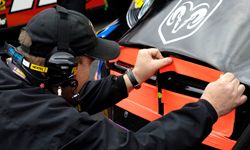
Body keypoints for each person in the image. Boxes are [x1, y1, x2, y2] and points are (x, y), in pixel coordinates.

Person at [0, 6, 247, 150]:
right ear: (66, 68)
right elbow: (136, 148)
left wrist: (132, 77)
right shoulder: (42, 126)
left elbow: (69, 97)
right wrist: (209, 107)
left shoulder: (16, 82)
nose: (93, 67)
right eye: (90, 61)